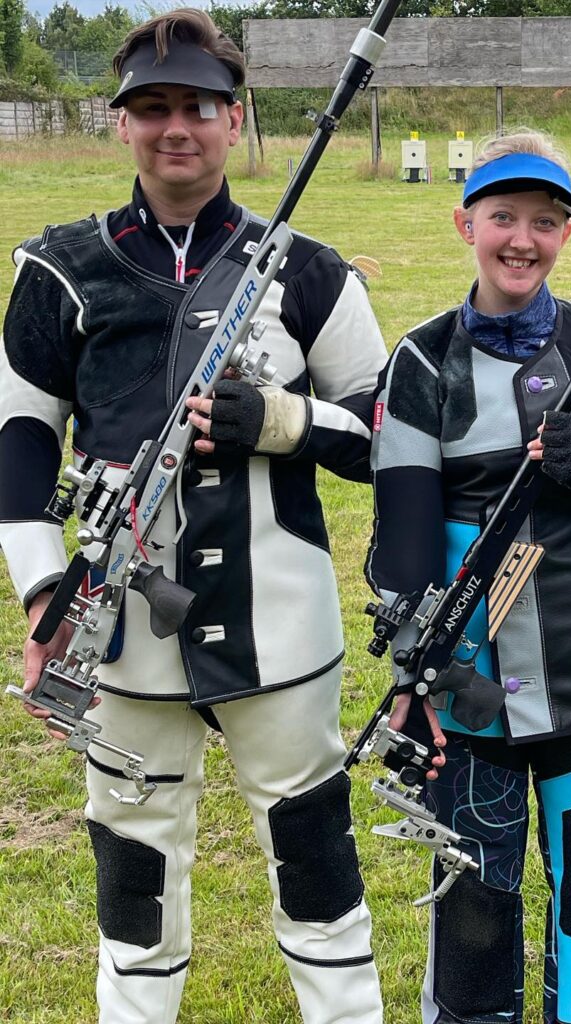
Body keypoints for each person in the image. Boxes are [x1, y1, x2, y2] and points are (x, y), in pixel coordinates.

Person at [0, 9, 387, 1023]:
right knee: (134, 881)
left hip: (281, 632)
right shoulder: (57, 269)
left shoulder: (309, 269)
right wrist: (46, 591)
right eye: (154, 107)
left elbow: (389, 435)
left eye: (199, 107)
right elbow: (20, 447)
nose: (178, 127)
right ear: (123, 122)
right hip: (116, 637)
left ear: (234, 117)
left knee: (315, 864)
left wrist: (281, 420)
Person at [365, 130, 571, 1024]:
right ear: (465, 222)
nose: (522, 239)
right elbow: (402, 546)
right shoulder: (422, 360)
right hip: (465, 696)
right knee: (472, 911)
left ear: (566, 234)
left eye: (544, 221)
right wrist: (409, 677)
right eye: (503, 216)